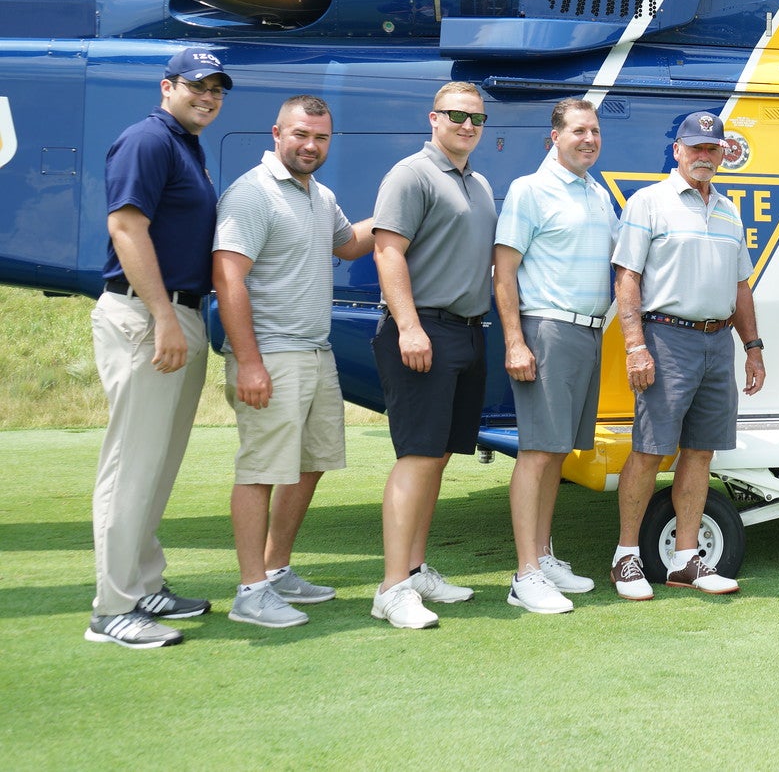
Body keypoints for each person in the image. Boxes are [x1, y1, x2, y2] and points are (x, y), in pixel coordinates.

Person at [86, 46, 231, 649]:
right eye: (197, 85)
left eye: (217, 89)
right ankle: (112, 610)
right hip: (150, 315)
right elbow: (126, 226)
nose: (208, 97)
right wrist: (162, 317)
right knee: (131, 465)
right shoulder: (148, 140)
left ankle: (143, 584)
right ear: (167, 86)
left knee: (157, 465)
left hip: (176, 313)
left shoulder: (182, 144)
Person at [213, 96, 374, 627]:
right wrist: (250, 363)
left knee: (309, 466)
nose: (310, 145)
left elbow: (349, 245)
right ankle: (250, 591)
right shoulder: (252, 193)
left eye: (321, 138)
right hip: (272, 355)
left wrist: (402, 208)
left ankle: (276, 570)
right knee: (260, 471)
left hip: (315, 352)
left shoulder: (319, 195)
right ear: (277, 132)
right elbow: (228, 278)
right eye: (301, 134)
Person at [610, 111, 765, 600]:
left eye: (712, 148)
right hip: (664, 338)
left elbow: (740, 286)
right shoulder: (649, 202)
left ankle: (685, 560)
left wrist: (753, 347)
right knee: (651, 450)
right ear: (677, 151)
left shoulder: (728, 210)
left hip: (718, 341)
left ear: (723, 155)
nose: (704, 156)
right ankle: (627, 557)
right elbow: (627, 278)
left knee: (700, 452)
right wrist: (635, 345)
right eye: (695, 147)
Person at [368, 82, 497, 629]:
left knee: (439, 457)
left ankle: (415, 569)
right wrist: (409, 327)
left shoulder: (481, 184)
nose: (467, 126)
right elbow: (386, 249)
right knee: (417, 456)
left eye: (476, 119)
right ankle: (392, 588)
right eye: (456, 116)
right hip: (424, 330)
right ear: (434, 118)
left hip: (468, 332)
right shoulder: (411, 174)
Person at [493, 98, 618, 615]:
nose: (588, 139)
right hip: (546, 330)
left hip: (588, 335)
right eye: (578, 131)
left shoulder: (596, 193)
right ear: (554, 137)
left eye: (594, 131)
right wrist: (515, 342)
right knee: (538, 453)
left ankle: (543, 557)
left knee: (559, 456)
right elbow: (503, 273)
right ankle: (524, 575)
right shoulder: (530, 190)